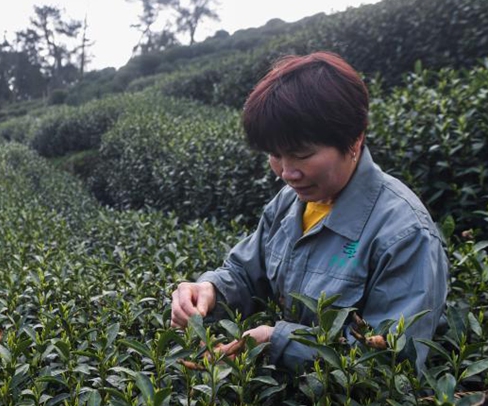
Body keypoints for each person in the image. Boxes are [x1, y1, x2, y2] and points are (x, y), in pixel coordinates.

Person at [170, 51, 448, 372]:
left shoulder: (404, 234)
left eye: (302, 154)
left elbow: (390, 361)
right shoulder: (289, 202)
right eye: (275, 155)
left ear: (354, 140)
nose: (287, 173)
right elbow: (246, 273)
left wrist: (277, 342)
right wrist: (209, 291)